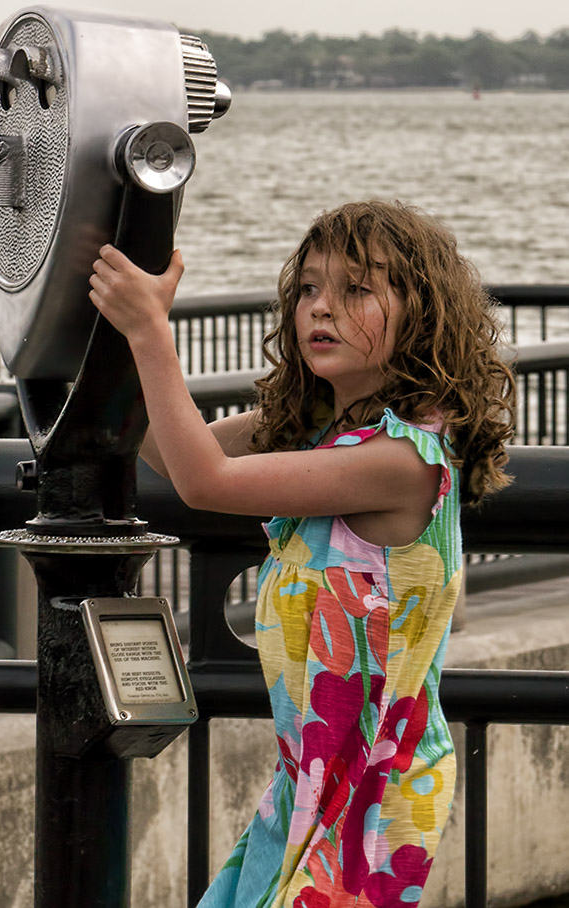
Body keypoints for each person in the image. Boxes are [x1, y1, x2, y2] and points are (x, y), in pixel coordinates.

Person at [89, 200, 514, 908]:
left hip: (374, 794)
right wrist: (99, 331)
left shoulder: (401, 458)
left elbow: (206, 483)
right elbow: (168, 451)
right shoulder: (314, 425)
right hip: (308, 778)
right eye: (309, 289)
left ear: (424, 314)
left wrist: (151, 331)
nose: (322, 308)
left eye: (356, 290)